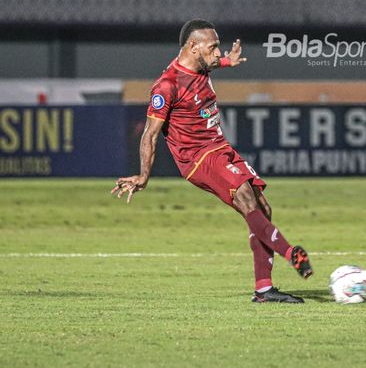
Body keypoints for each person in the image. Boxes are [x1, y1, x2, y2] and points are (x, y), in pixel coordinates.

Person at [111, 19, 313, 304]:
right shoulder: (167, 86)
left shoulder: (201, 65)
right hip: (197, 158)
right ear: (193, 47)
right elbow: (150, 134)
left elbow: (213, 64)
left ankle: (264, 290)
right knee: (245, 197)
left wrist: (228, 62)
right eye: (214, 47)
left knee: (262, 208)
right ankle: (291, 253)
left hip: (219, 147)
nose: (218, 53)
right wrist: (144, 176)